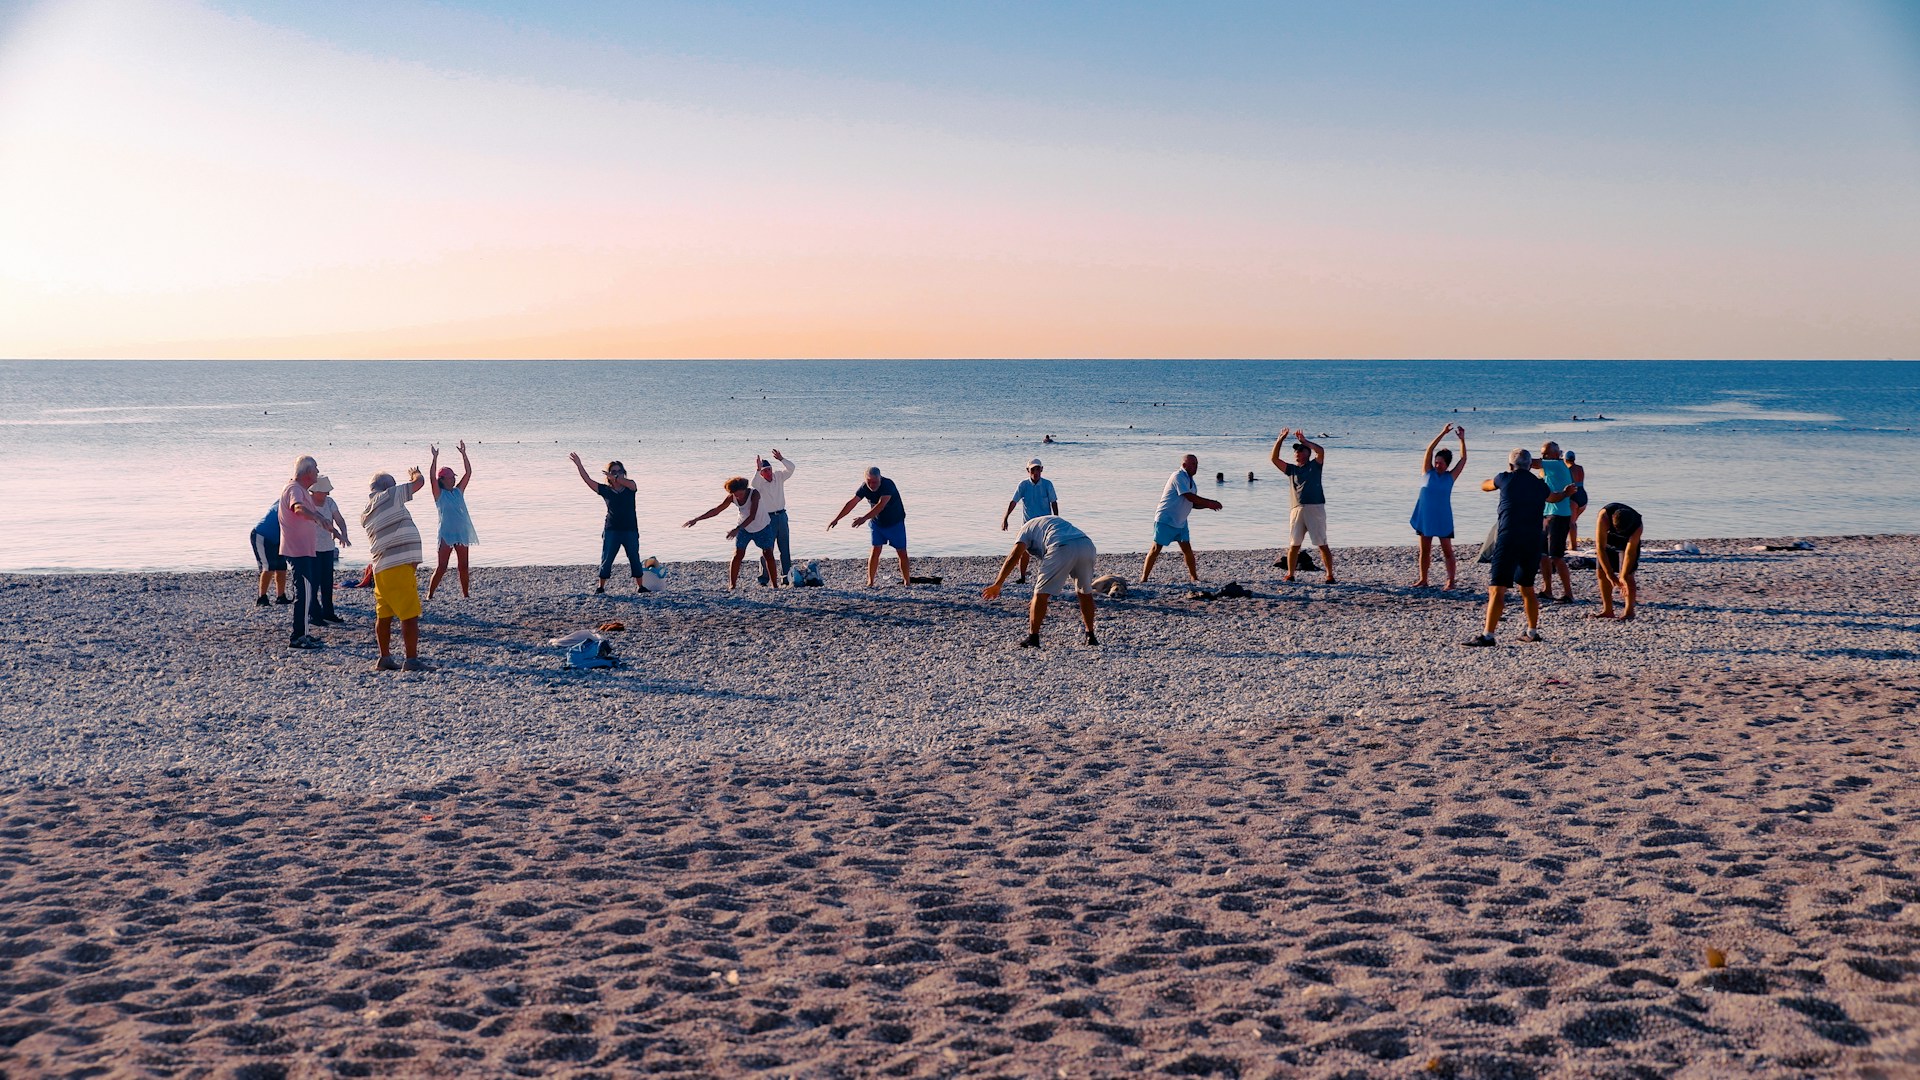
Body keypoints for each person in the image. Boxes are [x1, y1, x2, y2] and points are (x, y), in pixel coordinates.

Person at [1463, 448, 1577, 647]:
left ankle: (1488, 635)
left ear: (1510, 465)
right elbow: (1553, 497)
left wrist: (1487, 481)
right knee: (1527, 587)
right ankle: (1532, 632)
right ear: (1530, 465)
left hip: (1509, 537)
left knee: (1497, 588)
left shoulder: (1504, 478)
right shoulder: (1539, 485)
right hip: (1532, 540)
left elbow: (1486, 486)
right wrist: (1566, 493)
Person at [983, 514, 1099, 648]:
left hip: (1061, 546)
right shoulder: (1047, 523)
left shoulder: (1023, 532)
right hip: (1086, 545)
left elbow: (1014, 556)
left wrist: (998, 584)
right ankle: (1090, 636)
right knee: (1085, 592)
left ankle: (1033, 638)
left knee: (1040, 594)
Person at [361, 467, 431, 671]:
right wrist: (414, 473)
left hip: (381, 568)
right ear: (387, 487)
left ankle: (384, 658)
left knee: (384, 615)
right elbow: (419, 483)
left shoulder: (367, 511)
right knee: (409, 614)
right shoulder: (389, 496)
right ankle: (411, 660)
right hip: (397, 567)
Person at [277, 455, 334, 649]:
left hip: (303, 550)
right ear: (308, 472)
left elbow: (305, 510)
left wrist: (327, 525)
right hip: (298, 550)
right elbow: (298, 508)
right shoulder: (294, 489)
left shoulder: (300, 490)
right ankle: (298, 637)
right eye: (316, 469)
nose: (318, 472)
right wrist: (318, 517)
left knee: (307, 592)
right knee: (304, 592)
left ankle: (304, 633)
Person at [684, 476, 780, 590]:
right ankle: (732, 585)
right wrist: (697, 519)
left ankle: (774, 585)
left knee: (768, 554)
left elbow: (752, 516)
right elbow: (717, 510)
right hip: (744, 528)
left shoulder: (754, 494)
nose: (738, 496)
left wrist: (737, 529)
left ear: (745, 489)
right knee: (738, 554)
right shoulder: (732, 497)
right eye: (735, 494)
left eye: (740, 494)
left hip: (762, 527)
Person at [1139, 454, 1221, 583]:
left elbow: (1192, 503)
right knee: (1156, 549)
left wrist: (1208, 506)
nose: (1196, 467)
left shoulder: (1190, 481)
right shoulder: (1178, 476)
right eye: (1193, 464)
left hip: (1181, 521)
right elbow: (1189, 496)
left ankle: (1194, 577)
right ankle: (1144, 578)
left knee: (1187, 549)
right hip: (1166, 519)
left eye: (1197, 464)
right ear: (1184, 465)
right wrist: (1209, 502)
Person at [570, 452, 644, 594]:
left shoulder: (630, 487)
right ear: (609, 474)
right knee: (607, 558)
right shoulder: (606, 490)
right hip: (612, 529)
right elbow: (587, 480)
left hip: (630, 529)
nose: (617, 474)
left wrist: (615, 478)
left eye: (619, 471)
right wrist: (579, 465)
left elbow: (632, 485)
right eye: (613, 471)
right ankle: (601, 587)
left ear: (623, 472)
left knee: (634, 557)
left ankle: (640, 586)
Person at [828, 467, 911, 587]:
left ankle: (907, 582)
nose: (872, 485)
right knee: (875, 550)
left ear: (880, 478)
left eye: (875, 482)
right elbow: (852, 502)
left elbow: (880, 505)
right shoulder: (864, 487)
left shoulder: (888, 484)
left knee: (902, 552)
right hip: (877, 523)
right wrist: (837, 519)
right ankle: (870, 582)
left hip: (895, 523)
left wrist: (863, 518)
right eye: (869, 482)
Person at [1272, 428, 1335, 584]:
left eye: (1301, 450)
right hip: (1297, 508)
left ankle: (1329, 575)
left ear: (1308, 453)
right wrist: (1280, 440)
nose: (1297, 452)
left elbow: (1321, 451)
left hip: (1315, 507)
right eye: (1296, 451)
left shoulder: (1315, 465)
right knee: (1294, 544)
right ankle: (1290, 574)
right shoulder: (1291, 470)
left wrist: (1305, 441)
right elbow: (1274, 459)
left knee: (1322, 543)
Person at [1409, 424, 1468, 589]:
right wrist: (1443, 433)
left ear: (1447, 465)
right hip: (1425, 517)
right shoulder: (1427, 472)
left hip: (1442, 518)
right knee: (1425, 550)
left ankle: (1451, 581)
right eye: (1436, 462)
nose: (1437, 465)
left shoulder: (1450, 476)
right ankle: (1423, 579)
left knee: (1447, 551)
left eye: (1440, 463)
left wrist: (1462, 440)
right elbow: (1430, 449)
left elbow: (1463, 459)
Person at [428, 441, 479, 600]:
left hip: (462, 532)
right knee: (442, 566)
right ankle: (430, 595)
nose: (453, 480)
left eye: (453, 477)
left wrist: (464, 454)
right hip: (446, 533)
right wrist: (434, 458)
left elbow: (468, 472)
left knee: (463, 566)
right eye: (450, 478)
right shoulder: (439, 494)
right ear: (443, 479)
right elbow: (431, 478)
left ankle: (466, 595)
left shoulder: (458, 491)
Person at [999, 459, 1059, 585]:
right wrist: (1005, 518)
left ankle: (1048, 577)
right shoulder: (1023, 485)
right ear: (1028, 470)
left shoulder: (1047, 484)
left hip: (1044, 524)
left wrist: (1056, 519)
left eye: (1038, 469)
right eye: (1032, 469)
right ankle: (1022, 577)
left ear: (1042, 469)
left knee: (1047, 551)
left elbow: (1053, 502)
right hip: (1027, 524)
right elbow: (1013, 502)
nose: (1035, 472)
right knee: (1023, 551)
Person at [1531, 441, 1575, 601]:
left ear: (1555, 454)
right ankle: (1547, 589)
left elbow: (1532, 463)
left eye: (1545, 454)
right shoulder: (1549, 469)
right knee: (1543, 555)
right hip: (1546, 513)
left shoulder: (1556, 464)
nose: (1543, 457)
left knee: (1556, 556)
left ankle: (1568, 593)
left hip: (1559, 515)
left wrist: (1516, 459)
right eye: (1542, 454)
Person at [1590, 502, 1643, 620]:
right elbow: (1600, 548)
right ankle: (1608, 610)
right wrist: (1609, 574)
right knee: (1601, 573)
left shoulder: (1637, 525)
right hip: (1608, 540)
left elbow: (1630, 552)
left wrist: (1622, 576)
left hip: (1627, 543)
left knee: (1628, 576)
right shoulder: (1604, 517)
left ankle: (1629, 612)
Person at [750, 450, 797, 583]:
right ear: (761, 473)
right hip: (768, 519)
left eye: (769, 469)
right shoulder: (760, 483)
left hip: (781, 516)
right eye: (765, 471)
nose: (768, 472)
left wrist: (781, 459)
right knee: (767, 548)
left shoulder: (779, 476)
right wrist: (758, 469)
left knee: (784, 548)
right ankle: (764, 578)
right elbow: (753, 484)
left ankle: (786, 577)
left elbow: (791, 468)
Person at [309, 475, 351, 625]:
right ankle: (314, 614)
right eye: (324, 491)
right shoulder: (307, 503)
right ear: (315, 491)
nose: (327, 494)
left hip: (327, 547)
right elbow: (324, 523)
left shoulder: (330, 502)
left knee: (327, 582)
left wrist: (344, 533)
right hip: (311, 548)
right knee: (313, 582)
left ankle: (328, 612)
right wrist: (337, 534)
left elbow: (339, 519)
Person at [249, 501, 289, 606]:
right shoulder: (284, 504)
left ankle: (281, 596)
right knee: (268, 566)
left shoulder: (285, 502)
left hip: (278, 538)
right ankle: (262, 597)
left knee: (281, 566)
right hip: (262, 535)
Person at [1565, 450, 1589, 550]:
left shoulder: (1568, 469)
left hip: (1574, 495)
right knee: (1573, 522)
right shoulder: (1580, 468)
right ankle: (1571, 543)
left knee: (1571, 523)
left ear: (1565, 459)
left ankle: (1573, 546)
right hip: (1583, 494)